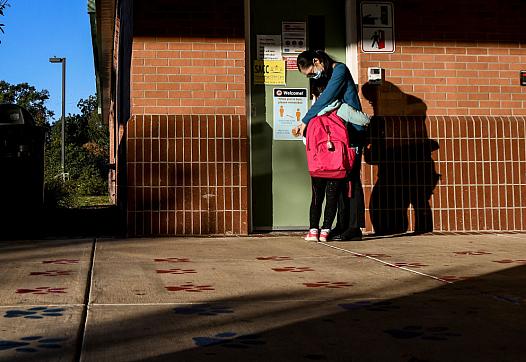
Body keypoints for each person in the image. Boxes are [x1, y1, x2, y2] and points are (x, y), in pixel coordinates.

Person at [292, 50, 366, 241]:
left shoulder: (339, 70)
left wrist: (305, 120)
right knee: (338, 179)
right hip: (336, 133)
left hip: (351, 132)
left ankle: (353, 226)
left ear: (316, 61)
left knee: (351, 181)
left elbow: (327, 99)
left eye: (310, 72)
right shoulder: (325, 75)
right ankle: (341, 225)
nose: (311, 76)